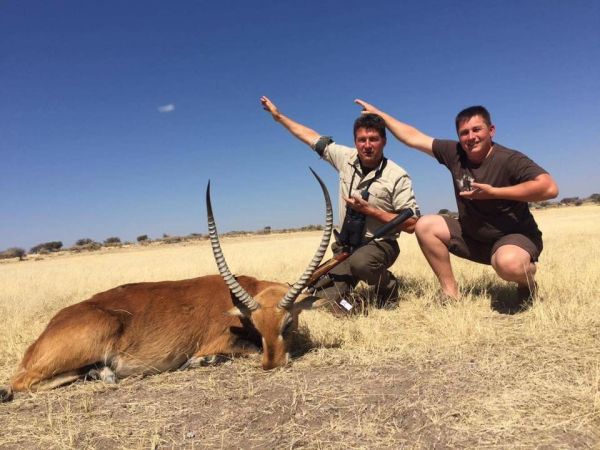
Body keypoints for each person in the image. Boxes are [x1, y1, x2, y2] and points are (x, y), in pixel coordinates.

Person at [354, 99, 559, 304]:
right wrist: (380, 115)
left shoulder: (509, 159)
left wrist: (495, 192)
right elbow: (413, 137)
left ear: (491, 131)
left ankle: (527, 284)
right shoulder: (455, 153)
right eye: (464, 133)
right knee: (424, 225)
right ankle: (450, 293)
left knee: (509, 264)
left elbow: (549, 188)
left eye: (476, 129)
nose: (471, 137)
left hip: (511, 238)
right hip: (472, 236)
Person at [260, 96, 420, 315]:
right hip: (346, 247)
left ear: (384, 141)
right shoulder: (345, 157)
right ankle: (351, 305)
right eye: (362, 140)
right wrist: (279, 117)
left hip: (379, 245)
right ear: (355, 141)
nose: (367, 145)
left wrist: (370, 211)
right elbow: (311, 137)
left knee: (361, 264)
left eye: (373, 139)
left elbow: (411, 224)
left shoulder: (398, 175)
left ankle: (388, 287)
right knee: (322, 300)